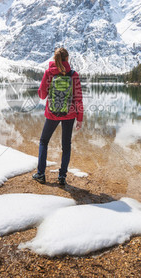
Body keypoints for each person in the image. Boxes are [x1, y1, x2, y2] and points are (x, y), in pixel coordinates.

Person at [33, 47, 83, 186]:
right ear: (67, 59)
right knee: (66, 146)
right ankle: (62, 177)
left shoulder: (49, 73)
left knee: (44, 141)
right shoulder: (73, 74)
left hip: (52, 113)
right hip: (70, 114)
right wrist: (79, 118)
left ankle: (41, 174)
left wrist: (43, 87)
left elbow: (42, 95)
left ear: (54, 59)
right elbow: (78, 98)